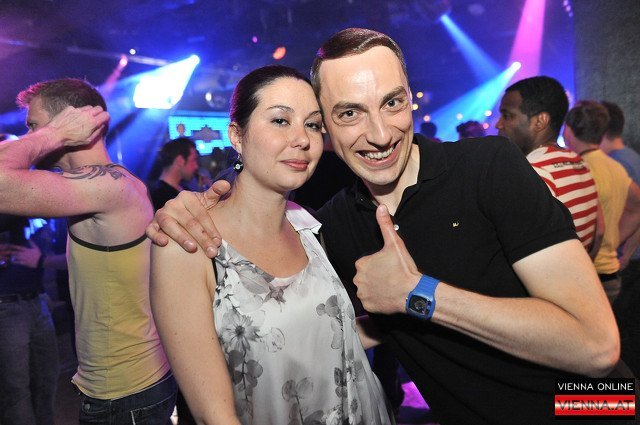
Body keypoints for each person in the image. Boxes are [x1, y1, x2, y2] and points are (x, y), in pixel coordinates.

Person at [148, 29, 623, 425]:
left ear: (410, 99)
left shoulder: (488, 166)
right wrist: (185, 211)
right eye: (349, 113)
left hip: (594, 405)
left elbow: (597, 348)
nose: (379, 134)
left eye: (392, 103)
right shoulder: (330, 226)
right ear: (328, 127)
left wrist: (419, 294)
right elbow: (309, 323)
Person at [150, 65, 394, 425]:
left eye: (312, 124)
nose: (302, 139)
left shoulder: (309, 228)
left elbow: (323, 336)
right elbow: (214, 415)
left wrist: (410, 315)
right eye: (280, 120)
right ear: (237, 135)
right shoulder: (189, 242)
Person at [0, 78, 176, 424]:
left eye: (34, 125)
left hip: (126, 395)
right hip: (129, 387)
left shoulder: (107, 187)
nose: (30, 136)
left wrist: (54, 134)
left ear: (72, 121)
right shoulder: (109, 184)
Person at [496, 76, 602, 257]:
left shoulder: (533, 173)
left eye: (507, 115)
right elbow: (598, 233)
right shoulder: (578, 162)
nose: (498, 124)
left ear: (540, 121)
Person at [563, 100, 640, 303]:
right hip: (610, 274)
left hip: (588, 275)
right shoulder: (615, 167)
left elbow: (597, 230)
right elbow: (637, 207)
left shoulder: (579, 169)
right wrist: (613, 241)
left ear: (568, 131)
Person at [0, 213, 59, 425]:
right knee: (16, 390)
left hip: (37, 298)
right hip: (6, 304)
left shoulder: (27, 201)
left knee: (47, 380)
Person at [599, 100, 640, 377]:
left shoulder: (617, 163)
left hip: (627, 263)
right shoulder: (631, 157)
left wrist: (618, 246)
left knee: (620, 344)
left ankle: (614, 399)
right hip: (631, 260)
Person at [149, 137, 199, 211]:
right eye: (194, 160)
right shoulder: (158, 197)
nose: (196, 166)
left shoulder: (184, 190)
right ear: (180, 160)